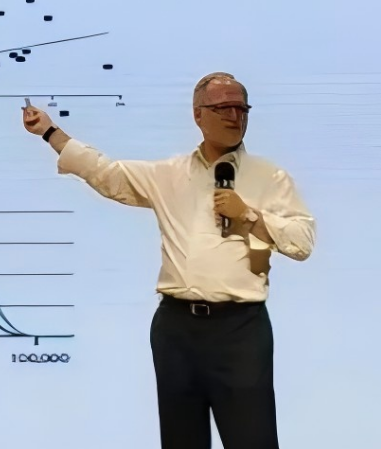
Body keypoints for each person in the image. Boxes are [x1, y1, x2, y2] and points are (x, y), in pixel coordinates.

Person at [22, 72, 315, 449]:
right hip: (176, 329)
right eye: (223, 108)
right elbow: (107, 174)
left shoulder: (270, 177)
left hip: (240, 331)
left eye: (241, 108)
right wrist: (50, 132)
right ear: (198, 114)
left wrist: (250, 215)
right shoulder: (169, 174)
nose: (234, 116)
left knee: (252, 439)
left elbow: (302, 242)